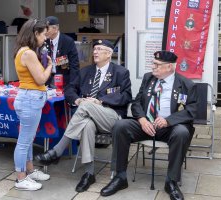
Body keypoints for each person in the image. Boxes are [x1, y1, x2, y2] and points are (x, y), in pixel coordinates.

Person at [35, 39, 132, 193]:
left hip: (112, 116)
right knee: (86, 124)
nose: (95, 52)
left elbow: (126, 96)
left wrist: (100, 101)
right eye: (94, 49)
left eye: (99, 49)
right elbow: (69, 89)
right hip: (88, 115)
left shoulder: (120, 72)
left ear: (108, 54)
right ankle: (89, 173)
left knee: (87, 105)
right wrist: (77, 99)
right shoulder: (86, 71)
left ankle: (58, 151)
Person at [100, 50, 198, 200]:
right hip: (146, 124)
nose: (153, 67)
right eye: (153, 63)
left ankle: (171, 181)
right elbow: (137, 102)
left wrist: (168, 120)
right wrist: (142, 119)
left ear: (170, 67)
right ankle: (120, 177)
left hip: (169, 128)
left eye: (157, 65)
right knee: (120, 126)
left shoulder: (186, 84)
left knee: (182, 132)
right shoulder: (148, 79)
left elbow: (191, 111)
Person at [13, 19, 53, 191]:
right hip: (30, 99)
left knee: (27, 140)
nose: (45, 38)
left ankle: (29, 171)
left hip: (28, 98)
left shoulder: (24, 51)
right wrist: (50, 65)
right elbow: (41, 79)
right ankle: (21, 179)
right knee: (24, 142)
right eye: (44, 34)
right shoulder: (28, 53)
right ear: (35, 33)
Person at [44, 16, 79, 88]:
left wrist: (73, 85)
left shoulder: (67, 41)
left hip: (63, 79)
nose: (44, 31)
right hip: (46, 79)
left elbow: (74, 65)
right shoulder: (44, 41)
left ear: (55, 29)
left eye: (47, 28)